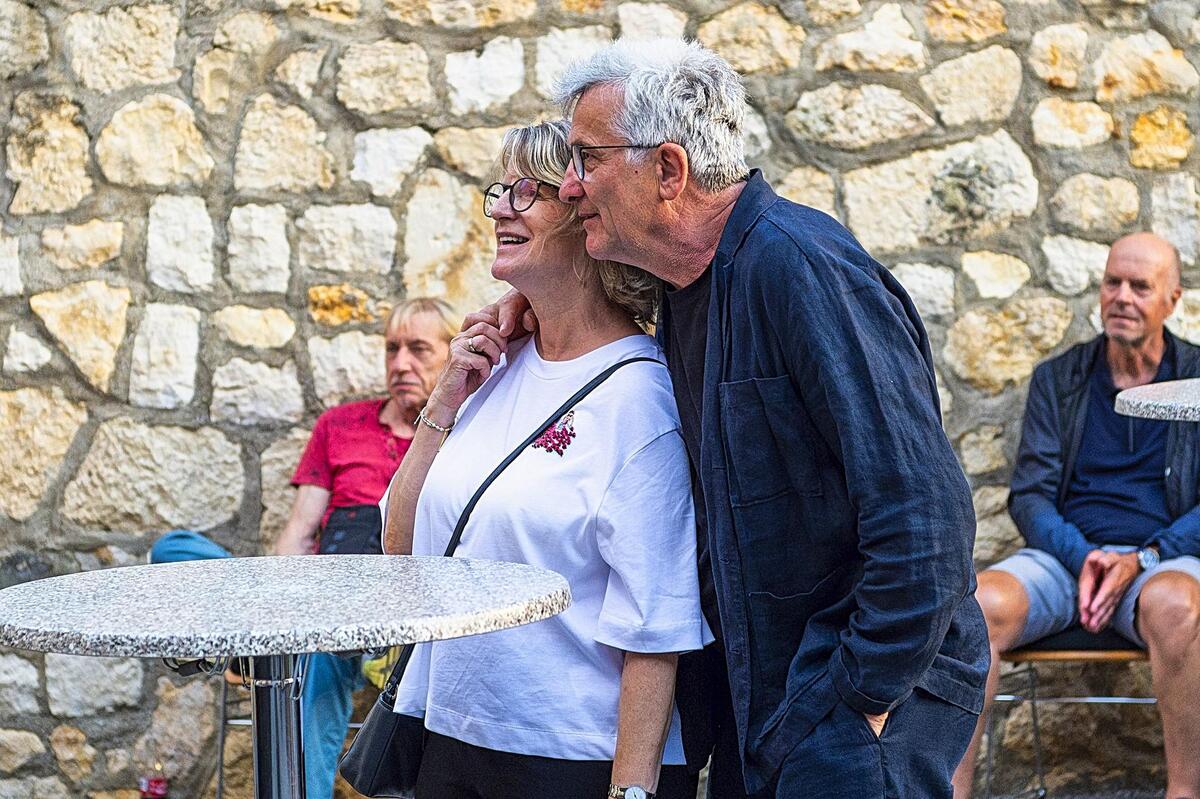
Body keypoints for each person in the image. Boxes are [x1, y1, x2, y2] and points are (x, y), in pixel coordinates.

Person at [476, 38, 990, 798]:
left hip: (845, 714)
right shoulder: (689, 286)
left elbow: (926, 520)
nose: (572, 185)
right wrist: (534, 310)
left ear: (669, 170)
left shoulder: (801, 268)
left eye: (587, 158)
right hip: (774, 709)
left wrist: (857, 700)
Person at [379, 119, 712, 799]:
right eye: (500, 190)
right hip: (449, 738)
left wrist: (630, 790)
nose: (501, 207)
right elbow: (400, 548)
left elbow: (655, 622)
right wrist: (444, 399)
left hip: (571, 757)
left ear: (587, 213)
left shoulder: (640, 396)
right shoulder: (492, 367)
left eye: (527, 190)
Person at [150, 296, 454, 799]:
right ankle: (267, 639)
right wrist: (278, 600)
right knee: (173, 551)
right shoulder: (339, 426)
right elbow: (300, 529)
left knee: (321, 648)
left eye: (418, 349)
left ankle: (266, 652)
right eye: (392, 349)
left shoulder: (460, 435)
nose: (401, 363)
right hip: (313, 588)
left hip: (390, 613)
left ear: (451, 353)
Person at [952, 232, 1200, 799]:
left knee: (1178, 606)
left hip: (1163, 561)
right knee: (975, 605)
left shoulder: (1195, 381)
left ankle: (1184, 791)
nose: (1122, 297)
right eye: (1113, 282)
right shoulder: (1059, 378)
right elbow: (1030, 495)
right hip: (1069, 561)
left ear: (1173, 299)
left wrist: (1143, 558)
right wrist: (1086, 557)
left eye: (1141, 287)